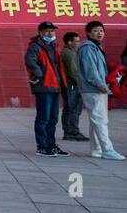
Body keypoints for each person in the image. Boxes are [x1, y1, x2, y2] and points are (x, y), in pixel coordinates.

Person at [76, 21, 124, 160]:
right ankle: (107, 150)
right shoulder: (88, 48)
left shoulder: (96, 47)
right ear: (88, 33)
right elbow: (90, 70)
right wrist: (100, 84)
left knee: (95, 120)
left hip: (96, 88)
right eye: (96, 31)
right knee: (100, 120)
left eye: (101, 30)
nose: (99, 33)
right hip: (93, 89)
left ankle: (96, 149)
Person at [25, 21, 69, 157]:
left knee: (53, 119)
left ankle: (51, 144)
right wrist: (38, 74)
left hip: (55, 86)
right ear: (40, 33)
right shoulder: (35, 46)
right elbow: (30, 60)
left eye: (52, 31)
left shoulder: (54, 46)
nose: (50, 33)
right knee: (43, 118)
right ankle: (42, 146)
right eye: (47, 31)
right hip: (44, 86)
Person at [59, 33, 87, 141]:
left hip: (69, 84)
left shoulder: (68, 52)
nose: (78, 43)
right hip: (72, 85)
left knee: (69, 108)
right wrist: (81, 84)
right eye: (76, 41)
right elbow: (73, 72)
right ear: (69, 42)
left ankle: (69, 131)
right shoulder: (69, 54)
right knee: (73, 108)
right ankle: (72, 131)